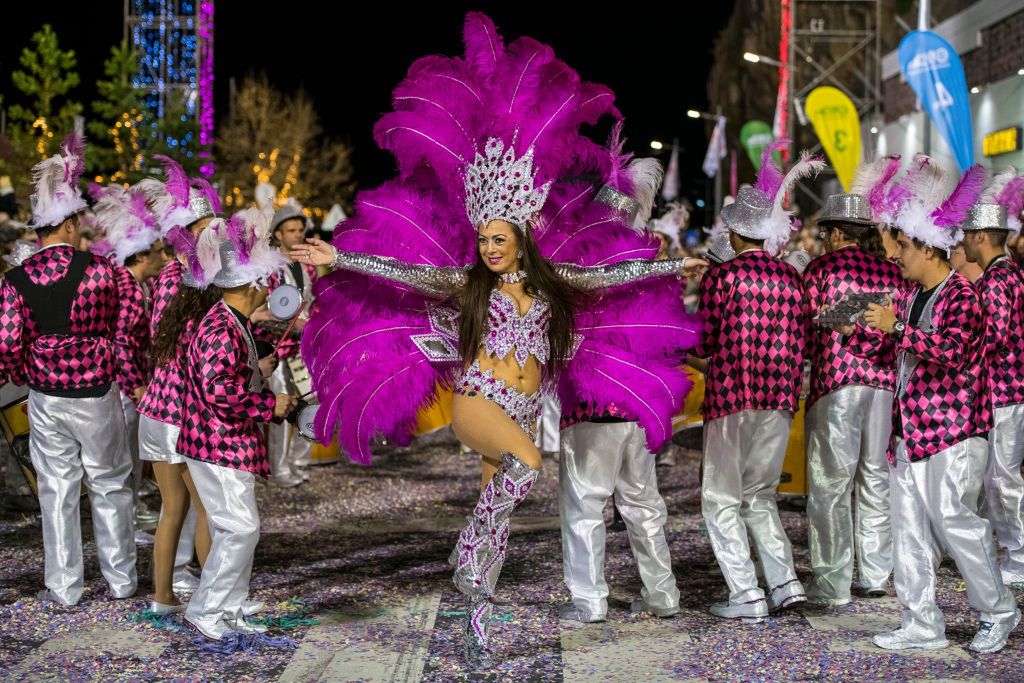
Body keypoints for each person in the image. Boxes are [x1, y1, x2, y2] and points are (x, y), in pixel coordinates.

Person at [290, 12, 705, 667]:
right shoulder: (465, 282)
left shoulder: (552, 281)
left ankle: (476, 588)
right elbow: (404, 269)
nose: (486, 246)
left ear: (521, 237)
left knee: (502, 501)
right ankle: (464, 557)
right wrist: (338, 259)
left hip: (522, 402)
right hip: (480, 397)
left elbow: (608, 271)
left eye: (498, 238)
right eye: (483, 238)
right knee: (526, 466)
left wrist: (668, 264)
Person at [859, 160, 1019, 654]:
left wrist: (898, 330)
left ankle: (998, 611)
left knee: (957, 524)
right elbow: (897, 354)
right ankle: (921, 620)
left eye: (904, 244)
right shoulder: (911, 296)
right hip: (909, 432)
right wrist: (859, 336)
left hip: (951, 433)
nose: (897, 253)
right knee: (908, 530)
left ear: (929, 247)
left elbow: (953, 353)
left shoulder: (963, 298)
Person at [0, 133, 136, 606]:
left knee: (55, 490)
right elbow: (129, 325)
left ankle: (64, 587)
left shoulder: (14, 280)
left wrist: (28, 368)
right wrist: (124, 372)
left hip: (46, 396)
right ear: (71, 223)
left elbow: (8, 342)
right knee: (111, 483)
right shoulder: (105, 272)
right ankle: (121, 581)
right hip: (97, 392)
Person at [690, 139, 819, 623]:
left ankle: (746, 592)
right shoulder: (791, 278)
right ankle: (784, 583)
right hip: (780, 399)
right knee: (761, 496)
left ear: (733, 232)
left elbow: (704, 343)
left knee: (721, 499)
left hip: (732, 398)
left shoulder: (722, 279)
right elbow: (804, 340)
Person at [178, 208, 295, 640]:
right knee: (240, 528)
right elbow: (220, 393)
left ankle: (229, 606)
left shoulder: (233, 322)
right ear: (249, 286)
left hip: (224, 441)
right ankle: (206, 609)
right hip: (216, 443)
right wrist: (270, 405)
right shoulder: (220, 328)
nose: (268, 288)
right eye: (263, 282)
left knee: (239, 528)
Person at [803, 179, 904, 608]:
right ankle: (878, 573)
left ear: (838, 232)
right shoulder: (894, 271)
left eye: (826, 233)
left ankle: (833, 582)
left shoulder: (821, 271)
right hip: (882, 385)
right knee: (875, 479)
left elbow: (806, 332)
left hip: (837, 383)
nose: (823, 240)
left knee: (831, 484)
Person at [959, 168, 1024, 590]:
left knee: (1003, 482)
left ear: (982, 236)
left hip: (1003, 393)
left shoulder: (997, 281)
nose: (962, 242)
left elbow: (993, 337)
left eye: (967, 234)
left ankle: (1018, 558)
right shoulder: (1010, 273)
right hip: (1008, 392)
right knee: (1001, 480)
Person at [90, 184, 168, 531]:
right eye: (157, 252)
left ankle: (132, 510)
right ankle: (125, 522)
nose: (163, 258)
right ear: (140, 255)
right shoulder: (124, 283)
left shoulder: (142, 284)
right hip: (124, 387)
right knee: (121, 457)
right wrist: (135, 385)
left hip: (135, 380)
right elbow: (120, 340)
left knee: (132, 456)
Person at [260, 202, 317, 487]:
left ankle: (298, 461)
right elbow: (260, 312)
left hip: (304, 347)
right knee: (282, 405)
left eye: (300, 229)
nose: (297, 234)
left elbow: (312, 301)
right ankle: (279, 468)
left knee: (312, 400)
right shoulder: (269, 268)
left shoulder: (308, 265)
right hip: (276, 349)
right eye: (290, 230)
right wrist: (289, 325)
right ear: (278, 235)